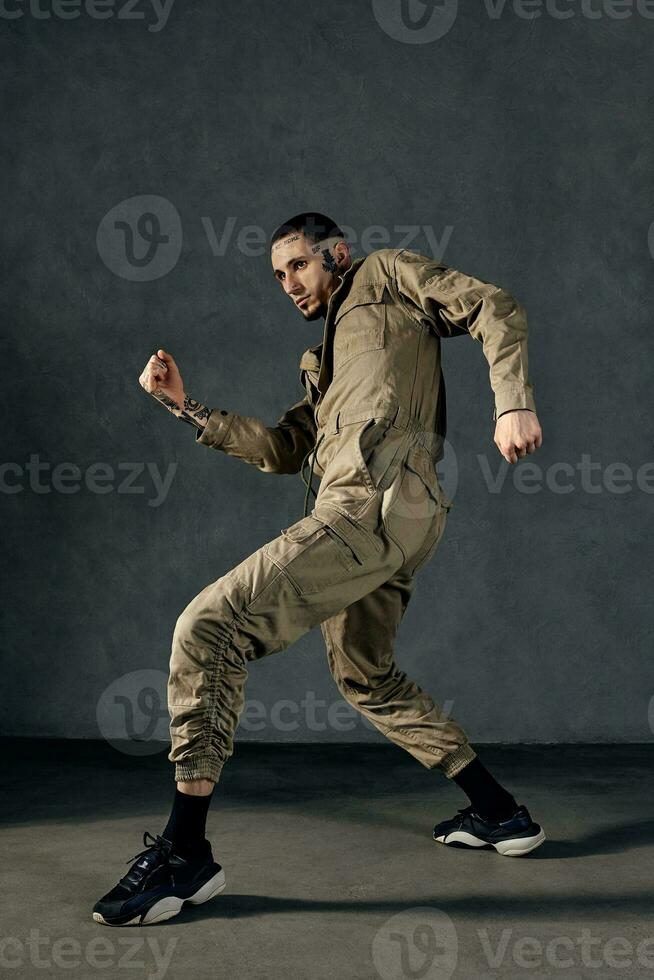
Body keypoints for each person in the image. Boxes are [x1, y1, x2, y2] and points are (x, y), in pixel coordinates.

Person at [93, 212, 545, 927]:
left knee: (209, 628)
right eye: (277, 275)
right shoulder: (320, 362)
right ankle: (500, 812)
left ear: (337, 253)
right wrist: (187, 408)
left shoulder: (388, 275)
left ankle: (184, 854)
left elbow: (493, 304)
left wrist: (512, 400)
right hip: (395, 521)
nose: (288, 284)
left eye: (298, 266)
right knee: (364, 672)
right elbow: (281, 449)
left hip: (374, 504)